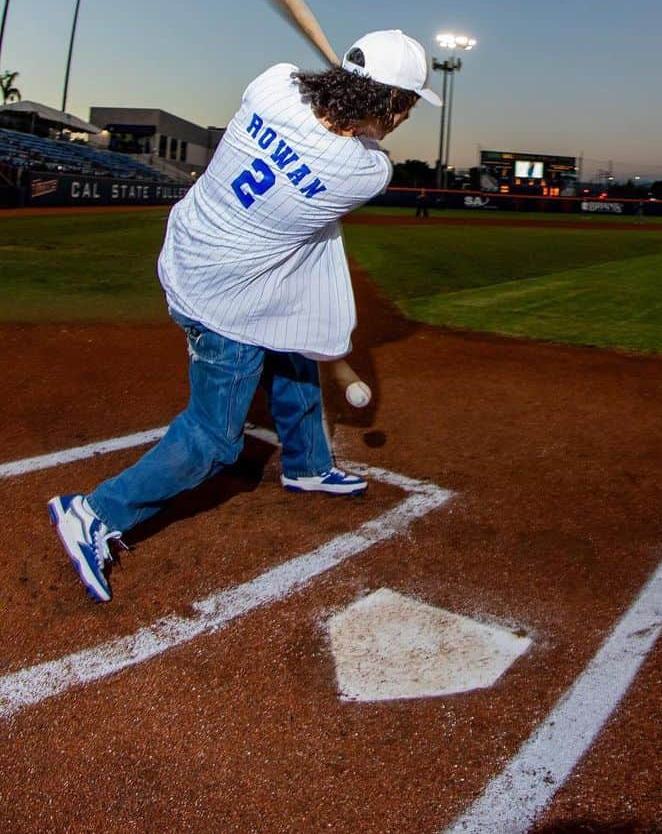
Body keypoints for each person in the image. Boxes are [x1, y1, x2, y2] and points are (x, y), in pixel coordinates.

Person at [48, 29, 441, 604]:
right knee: (214, 440)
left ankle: (307, 463)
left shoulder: (272, 83)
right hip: (221, 301)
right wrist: (360, 105)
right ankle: (93, 513)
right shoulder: (365, 173)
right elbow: (357, 143)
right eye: (405, 104)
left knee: (294, 338)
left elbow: (312, 102)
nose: (407, 115)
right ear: (390, 103)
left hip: (189, 243)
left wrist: (345, 89)